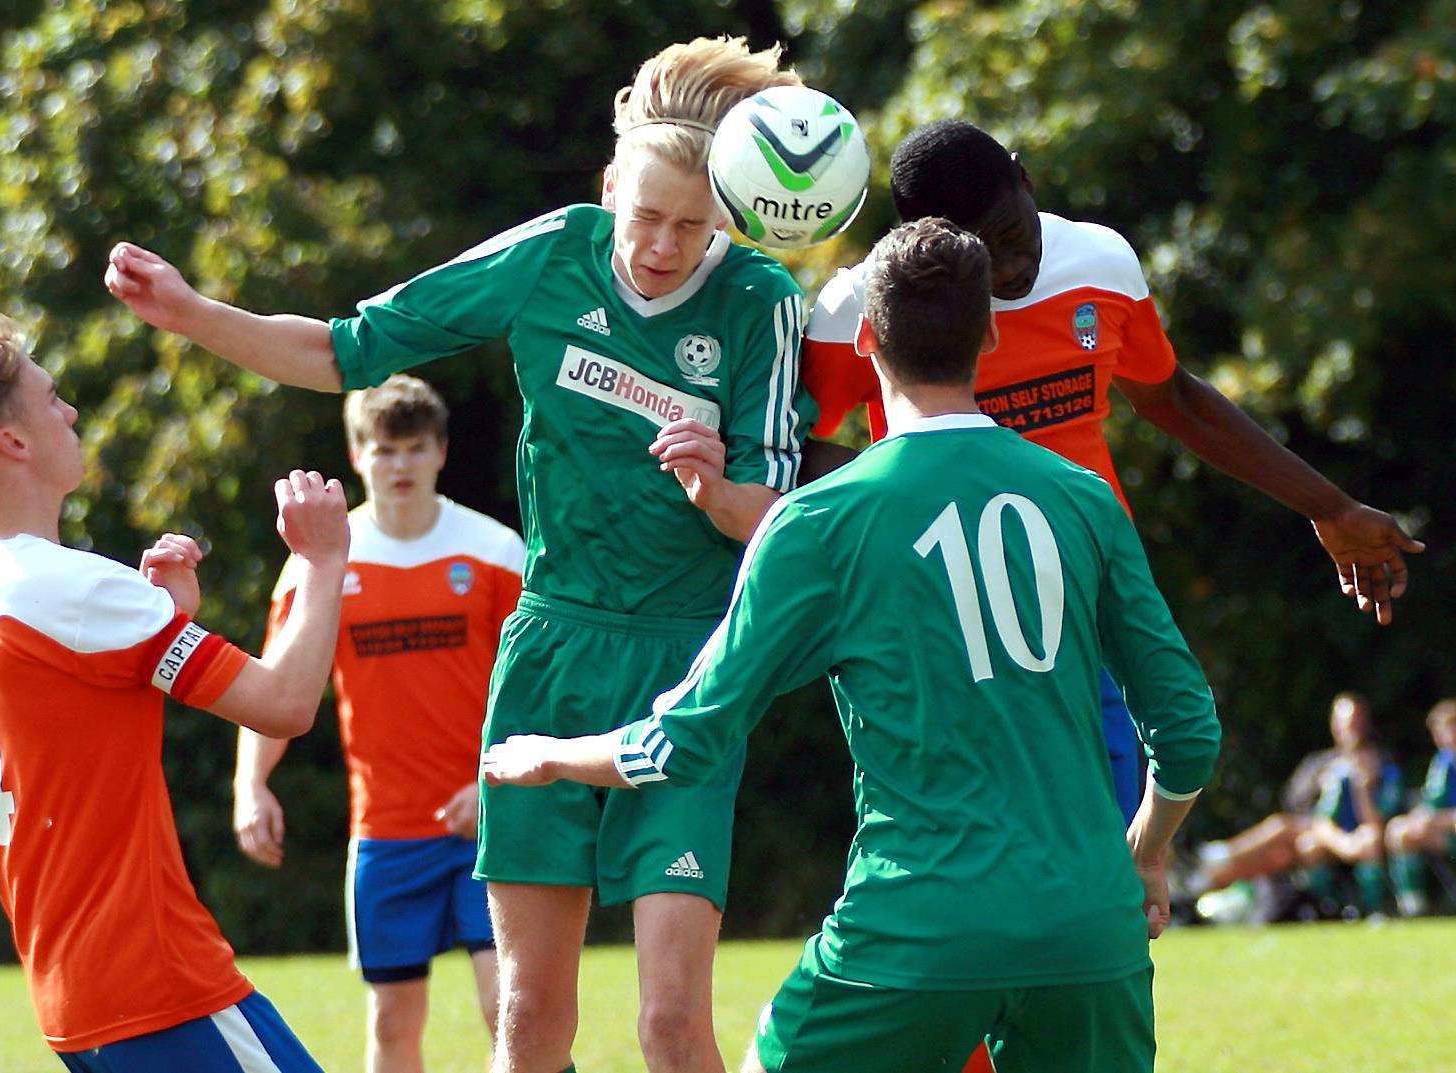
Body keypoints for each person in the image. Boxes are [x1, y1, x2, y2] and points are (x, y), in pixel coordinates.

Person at [106, 36, 816, 1073]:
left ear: (727, 218)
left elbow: (780, 519)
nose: (663, 244)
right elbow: (348, 347)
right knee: (526, 1021)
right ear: (608, 184)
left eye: (693, 225)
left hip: (686, 668)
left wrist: (718, 488)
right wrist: (191, 313)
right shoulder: (549, 254)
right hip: (549, 650)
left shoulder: (760, 301)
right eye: (647, 215)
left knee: (669, 1025)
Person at [483, 218, 1221, 1073]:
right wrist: (1145, 850)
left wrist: (552, 755)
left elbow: (683, 741)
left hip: (915, 924)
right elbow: (1187, 727)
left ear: (866, 336)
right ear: (989, 331)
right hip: (1088, 927)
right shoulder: (1082, 497)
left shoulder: (820, 519)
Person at [802, 119, 1423, 825]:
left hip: (1086, 594)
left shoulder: (1098, 261)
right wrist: (905, 511)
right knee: (969, 836)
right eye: (981, 253)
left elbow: (1174, 398)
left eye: (1012, 232)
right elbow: (796, 444)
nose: (1008, 269)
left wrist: (1329, 506)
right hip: (941, 612)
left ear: (1024, 177)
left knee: (1105, 835)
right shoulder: (860, 306)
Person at [0, 312, 348, 1071]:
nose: (69, 410)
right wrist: (325, 559)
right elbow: (285, 703)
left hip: (76, 1002)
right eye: (49, 398)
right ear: (13, 442)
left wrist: (166, 622)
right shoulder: (81, 591)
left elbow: (73, 720)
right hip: (161, 982)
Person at [234, 375, 524, 1072]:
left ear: (441, 452)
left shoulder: (494, 551)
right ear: (357, 455)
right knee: (392, 1023)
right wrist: (251, 783)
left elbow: (537, 691)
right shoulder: (322, 564)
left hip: (489, 819)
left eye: (415, 448)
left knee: (508, 1007)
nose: (400, 465)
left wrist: (500, 785)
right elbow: (276, 681)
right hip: (386, 832)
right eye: (384, 449)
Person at [1189, 692, 1403, 915]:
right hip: (1316, 831)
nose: (1351, 728)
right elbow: (1294, 799)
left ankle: (1219, 860)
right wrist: (1321, 782)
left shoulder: (1379, 762)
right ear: (1334, 725)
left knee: (1282, 826)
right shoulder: (1322, 762)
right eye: (1345, 722)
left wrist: (1364, 786)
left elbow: (1387, 808)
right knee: (1281, 855)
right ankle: (1209, 881)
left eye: (1356, 721)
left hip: (1353, 832)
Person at [1386, 700, 1456, 916]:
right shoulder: (1443, 762)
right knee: (1400, 831)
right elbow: (1431, 803)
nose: (1445, 737)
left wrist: (1435, 820)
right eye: (1440, 732)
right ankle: (1413, 908)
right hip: (1447, 833)